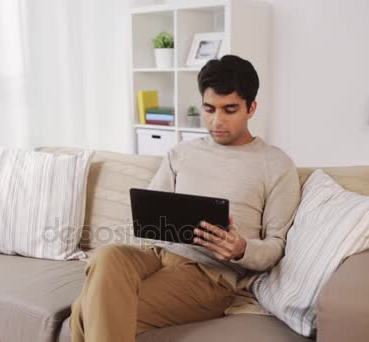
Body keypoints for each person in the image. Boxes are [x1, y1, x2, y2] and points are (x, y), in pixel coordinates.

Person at [70, 55, 301, 342]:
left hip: (209, 276)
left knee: (85, 311)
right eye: (209, 109)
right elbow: (150, 207)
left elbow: (276, 245)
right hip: (158, 255)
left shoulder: (275, 164)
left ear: (251, 108)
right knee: (108, 255)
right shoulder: (182, 153)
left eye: (230, 110)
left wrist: (241, 249)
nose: (217, 121)